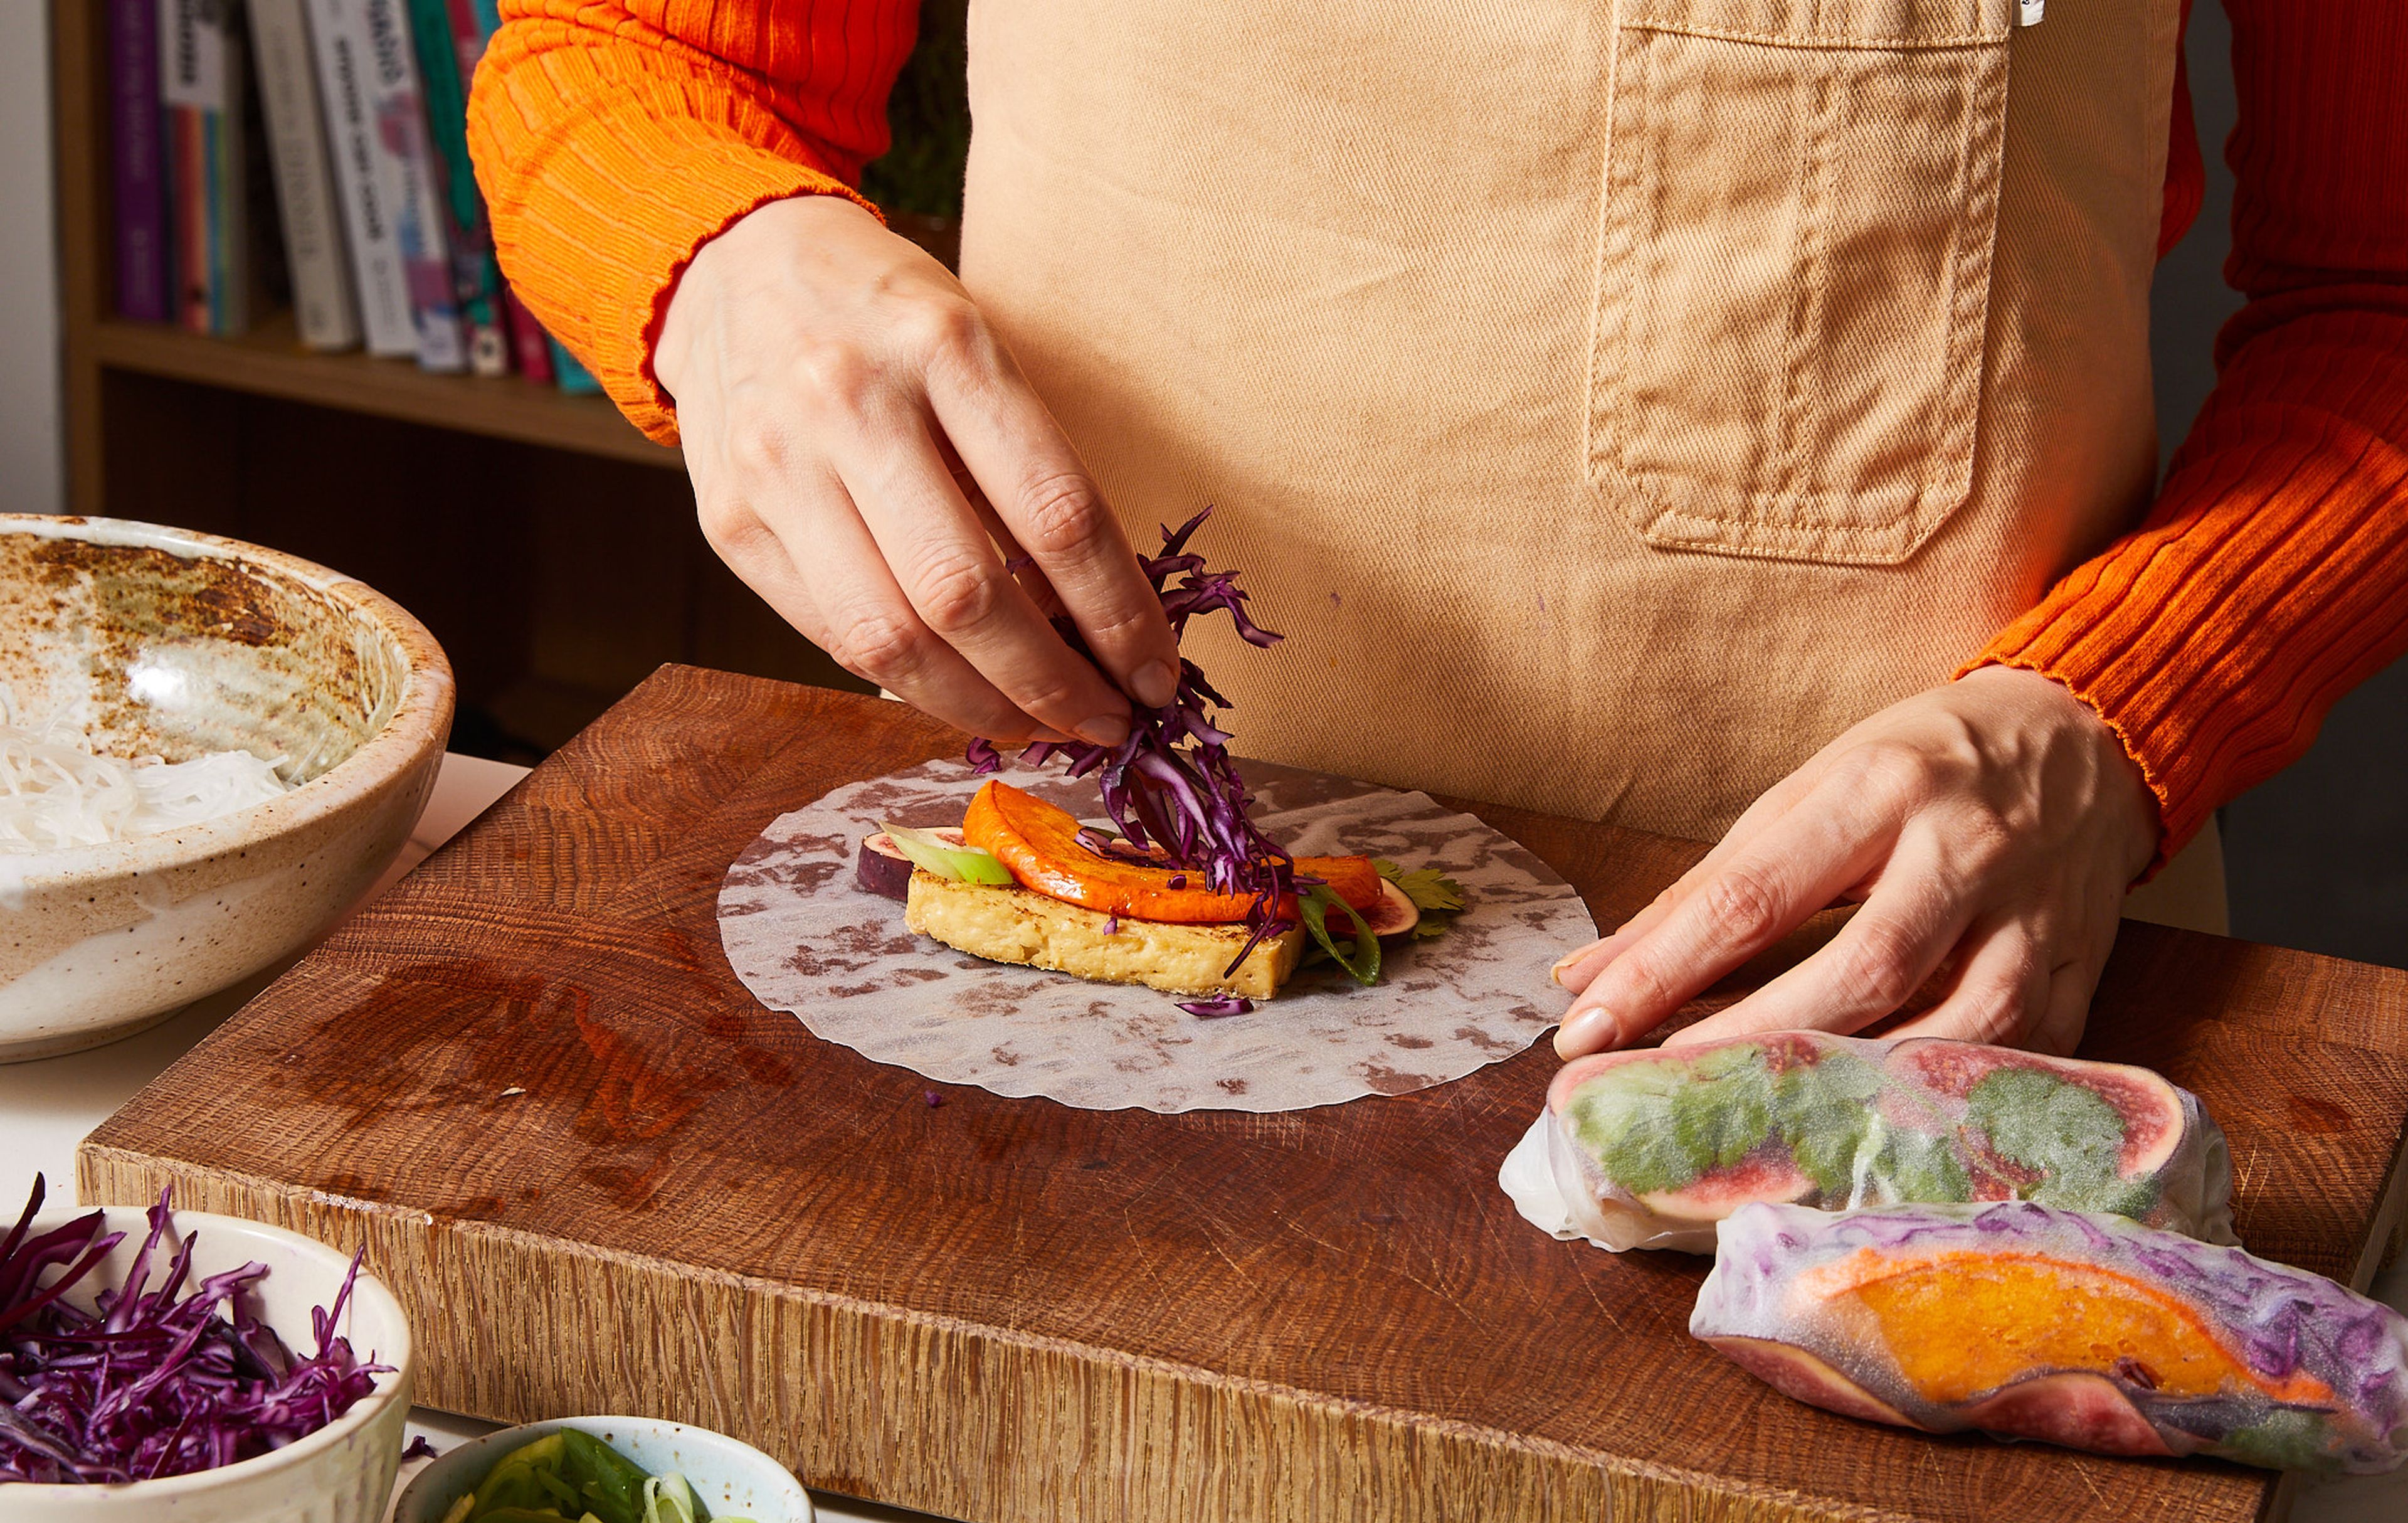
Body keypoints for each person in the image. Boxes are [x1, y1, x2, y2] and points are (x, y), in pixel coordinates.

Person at [467, 1, 2405, 1060]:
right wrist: (723, 268)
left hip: (1900, 995)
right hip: (1076, 976)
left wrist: (2125, 705)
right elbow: (635, 60)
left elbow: (2379, 304)